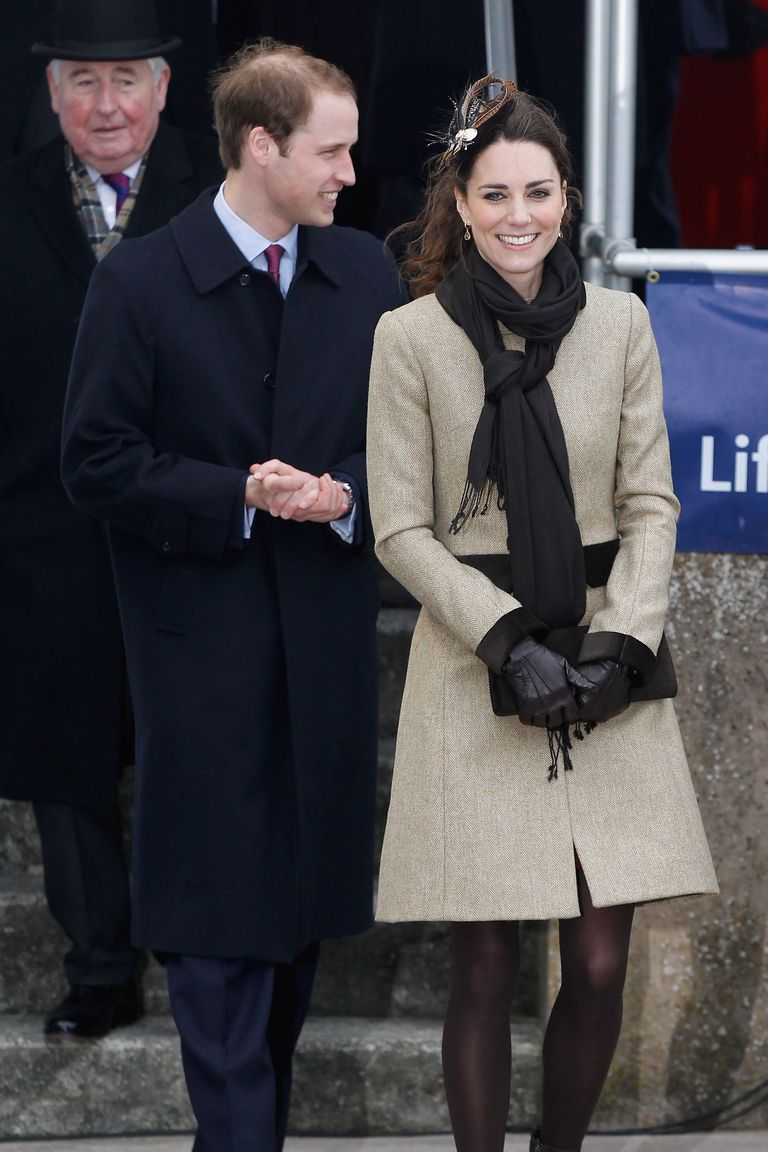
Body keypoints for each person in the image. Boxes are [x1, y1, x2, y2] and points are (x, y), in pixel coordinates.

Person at [61, 37, 403, 1152]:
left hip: (324, 657)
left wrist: (340, 494)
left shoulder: (365, 275)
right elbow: (94, 460)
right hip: (199, 666)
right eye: (332, 152)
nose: (351, 175)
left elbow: (411, 451)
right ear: (261, 147)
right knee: (216, 943)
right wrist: (240, 495)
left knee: (295, 938)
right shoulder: (139, 281)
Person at [366, 76, 718, 1152]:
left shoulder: (621, 324)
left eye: (540, 190)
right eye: (496, 192)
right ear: (461, 205)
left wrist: (625, 643)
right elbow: (399, 527)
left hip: (609, 655)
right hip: (481, 658)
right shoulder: (411, 338)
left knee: (603, 957)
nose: (519, 214)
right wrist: (508, 644)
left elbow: (652, 502)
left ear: (568, 198)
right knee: (483, 959)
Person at [0, 0, 222, 1039]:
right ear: (50, 94)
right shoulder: (10, 199)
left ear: (165, 90)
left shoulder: (220, 196)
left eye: (125, 78)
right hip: (45, 530)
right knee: (66, 757)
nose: (105, 103)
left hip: (186, 520)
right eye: (81, 82)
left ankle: (197, 955)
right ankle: (97, 968)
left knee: (190, 747)